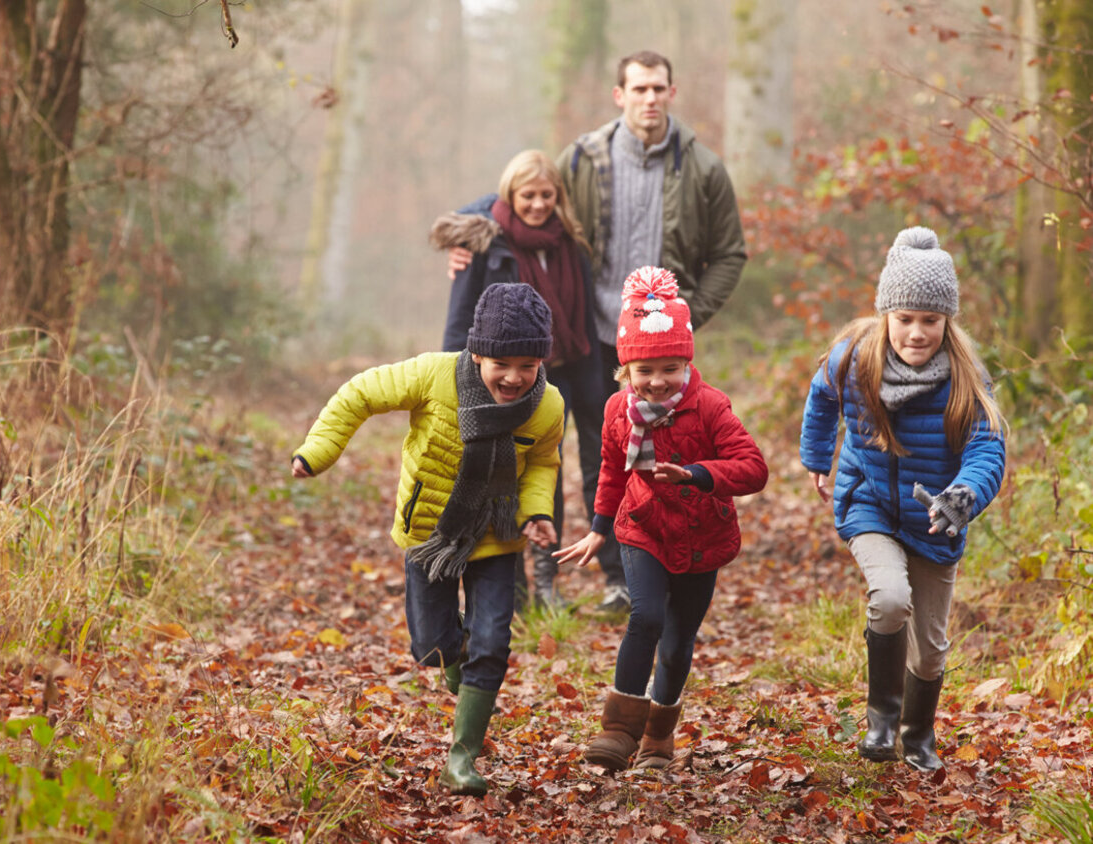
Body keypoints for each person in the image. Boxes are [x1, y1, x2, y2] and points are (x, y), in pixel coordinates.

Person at [450, 50, 748, 613]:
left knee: (639, 457)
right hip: (586, 336)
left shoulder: (702, 168)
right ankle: (546, 575)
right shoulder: (584, 158)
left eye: (659, 88)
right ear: (621, 95)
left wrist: (685, 317)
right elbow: (522, 194)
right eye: (639, 89)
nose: (650, 99)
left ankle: (628, 578)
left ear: (672, 92)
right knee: (560, 451)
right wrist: (467, 234)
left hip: (656, 346)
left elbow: (730, 252)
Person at [291, 283, 565, 796]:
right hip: (429, 535)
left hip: (498, 539)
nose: (514, 377)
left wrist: (535, 513)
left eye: (527, 364)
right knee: (433, 647)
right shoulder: (432, 375)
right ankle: (462, 673)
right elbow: (359, 394)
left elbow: (542, 465)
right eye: (502, 362)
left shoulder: (547, 406)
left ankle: (461, 759)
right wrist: (318, 451)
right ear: (478, 352)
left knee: (493, 644)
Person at [799, 227, 1006, 771]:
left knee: (932, 647)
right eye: (905, 319)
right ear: (885, 313)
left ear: (947, 321)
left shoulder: (965, 377)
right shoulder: (853, 360)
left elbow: (988, 449)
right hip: (867, 502)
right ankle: (882, 722)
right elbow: (820, 397)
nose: (916, 333)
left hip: (937, 519)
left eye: (930, 321)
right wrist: (818, 458)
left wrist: (963, 496)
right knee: (890, 599)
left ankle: (918, 734)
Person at [555, 266, 768, 771]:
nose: (656, 382)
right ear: (625, 371)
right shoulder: (616, 411)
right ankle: (619, 730)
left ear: (687, 363)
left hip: (702, 538)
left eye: (670, 368)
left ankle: (657, 738)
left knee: (676, 644)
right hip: (642, 527)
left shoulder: (711, 408)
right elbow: (610, 470)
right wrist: (598, 529)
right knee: (645, 616)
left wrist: (697, 473)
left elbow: (753, 469)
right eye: (643, 372)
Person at [430, 150, 602, 610]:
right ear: (510, 194)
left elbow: (581, 316)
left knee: (547, 473)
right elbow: (459, 319)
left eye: (547, 195)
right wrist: (456, 382)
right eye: (528, 195)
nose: (538, 204)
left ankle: (547, 582)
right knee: (503, 475)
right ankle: (511, 586)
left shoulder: (569, 243)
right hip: (499, 380)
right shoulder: (485, 243)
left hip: (557, 377)